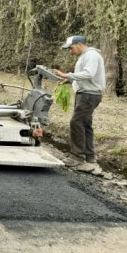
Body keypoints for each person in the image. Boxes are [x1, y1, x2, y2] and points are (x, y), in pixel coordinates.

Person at [52, 35, 106, 175]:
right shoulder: (85, 56)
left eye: (71, 48)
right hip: (86, 93)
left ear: (79, 44)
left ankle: (77, 157)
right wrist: (69, 81)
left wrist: (67, 75)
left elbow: (89, 74)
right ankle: (90, 157)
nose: (70, 51)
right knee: (85, 125)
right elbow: (85, 77)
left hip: (88, 95)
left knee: (76, 122)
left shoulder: (91, 55)